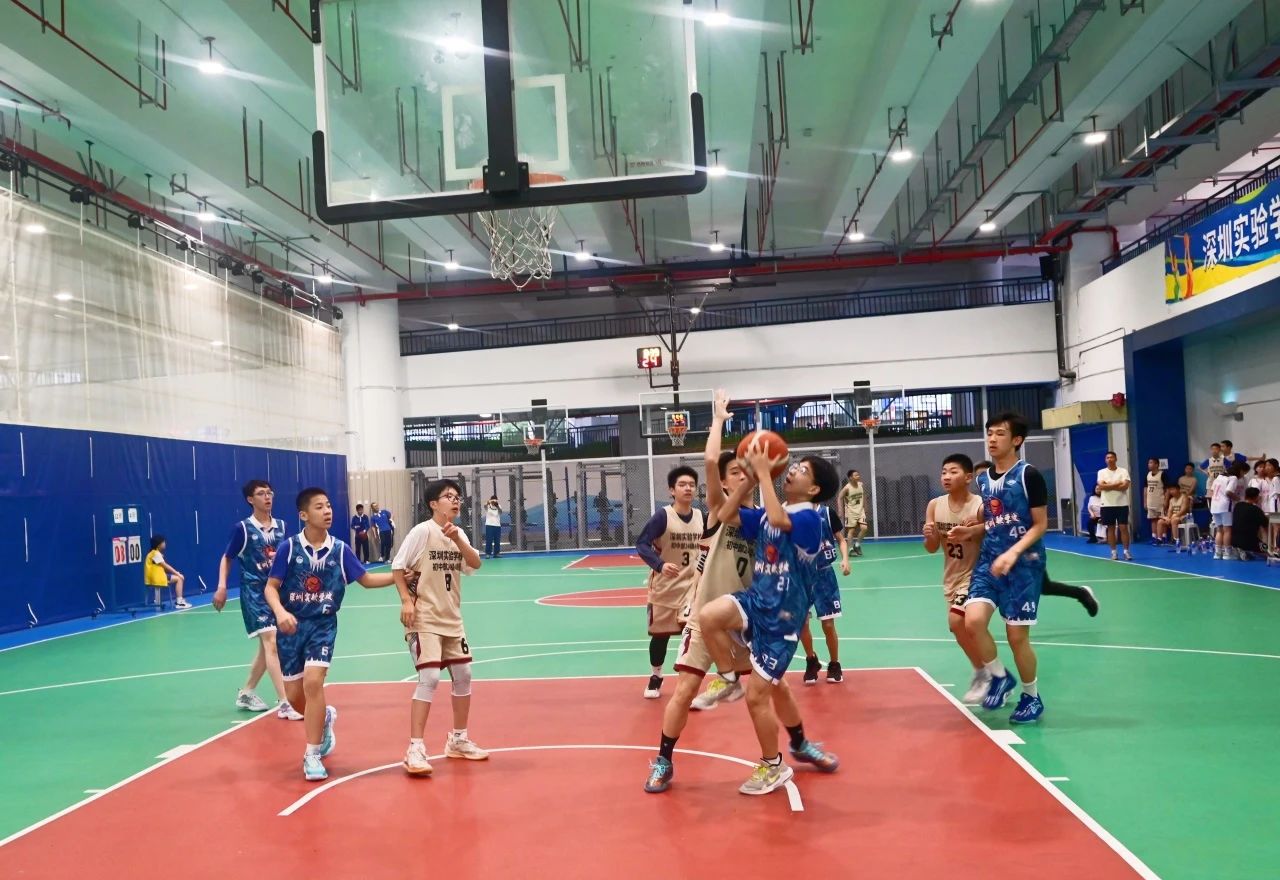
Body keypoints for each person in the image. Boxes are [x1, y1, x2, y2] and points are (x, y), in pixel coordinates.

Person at [697, 444, 842, 796]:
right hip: (756, 602)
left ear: (814, 489)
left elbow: (780, 521)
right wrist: (747, 482)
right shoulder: (766, 514)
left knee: (759, 696)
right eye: (794, 466)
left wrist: (763, 473)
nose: (792, 470)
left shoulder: (811, 519)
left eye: (802, 470)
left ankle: (773, 765)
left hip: (783, 623)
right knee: (709, 616)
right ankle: (728, 678)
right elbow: (724, 514)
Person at [644, 391, 754, 793]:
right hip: (704, 619)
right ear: (723, 483)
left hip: (743, 621)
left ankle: (790, 748)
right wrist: (719, 420)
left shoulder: (763, 520)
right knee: (685, 689)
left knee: (768, 692)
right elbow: (710, 461)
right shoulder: (718, 515)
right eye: (734, 473)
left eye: (746, 471)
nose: (740, 476)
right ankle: (663, 761)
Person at [264, 487, 395, 781]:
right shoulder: (289, 548)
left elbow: (367, 579)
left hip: (322, 625)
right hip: (291, 627)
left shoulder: (340, 550)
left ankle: (312, 754)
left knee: (313, 682)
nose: (327, 511)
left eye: (329, 506)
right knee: (295, 697)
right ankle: (323, 718)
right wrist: (281, 612)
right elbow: (271, 587)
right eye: (319, 507)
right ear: (303, 515)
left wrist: (400, 576)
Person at [392, 479, 488, 777]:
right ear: (434, 504)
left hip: (452, 619)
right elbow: (397, 566)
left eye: (457, 496)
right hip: (425, 618)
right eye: (448, 496)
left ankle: (458, 739)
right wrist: (406, 601)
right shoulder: (422, 532)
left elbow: (475, 564)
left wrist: (459, 539)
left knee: (464, 674)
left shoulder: (458, 534)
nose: (455, 500)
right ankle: (415, 748)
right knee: (430, 677)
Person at [960, 412, 1050, 724]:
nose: (992, 438)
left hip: (1023, 565)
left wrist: (1013, 553)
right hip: (989, 561)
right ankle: (999, 677)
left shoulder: (1029, 476)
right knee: (973, 621)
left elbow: (1040, 525)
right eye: (989, 433)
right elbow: (993, 519)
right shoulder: (983, 479)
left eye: (1000, 433)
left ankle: (1031, 696)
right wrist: (971, 531)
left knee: (1016, 637)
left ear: (1017, 440)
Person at [214, 479, 297, 718]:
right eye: (261, 493)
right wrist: (221, 587)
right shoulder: (243, 529)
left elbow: (289, 559)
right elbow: (227, 558)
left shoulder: (282, 526)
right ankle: (285, 702)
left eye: (270, 493)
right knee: (272, 642)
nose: (267, 497)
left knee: (266, 647)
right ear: (250, 499)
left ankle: (247, 692)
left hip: (277, 594)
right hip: (254, 594)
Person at [975, 460, 1099, 617]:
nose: (983, 478)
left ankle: (1081, 593)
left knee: (1043, 587)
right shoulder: (987, 499)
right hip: (998, 549)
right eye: (979, 476)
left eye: (984, 474)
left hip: (1025, 548)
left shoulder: (1017, 490)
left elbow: (1035, 521)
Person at [635, 466, 705, 699]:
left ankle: (688, 685)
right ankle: (656, 676)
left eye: (691, 485)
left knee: (692, 637)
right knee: (660, 636)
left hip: (692, 588)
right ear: (672, 490)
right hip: (665, 587)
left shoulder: (701, 517)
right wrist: (660, 565)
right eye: (682, 485)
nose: (688, 488)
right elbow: (642, 543)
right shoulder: (663, 516)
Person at [923, 453, 988, 704]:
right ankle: (987, 671)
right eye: (943, 472)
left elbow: (996, 535)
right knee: (958, 628)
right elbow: (931, 548)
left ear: (968, 477)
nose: (946, 477)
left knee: (957, 620)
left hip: (976, 573)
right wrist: (929, 535)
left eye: (953, 472)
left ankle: (985, 674)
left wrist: (976, 529)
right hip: (952, 576)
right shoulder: (934, 505)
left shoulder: (980, 506)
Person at [799, 503, 850, 685]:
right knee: (802, 624)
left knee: (828, 625)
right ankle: (811, 660)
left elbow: (841, 539)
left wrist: (845, 559)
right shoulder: (793, 513)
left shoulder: (827, 513)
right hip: (802, 575)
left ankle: (834, 664)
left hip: (824, 575)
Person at [1097, 451, 1132, 561]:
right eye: (1107, 458)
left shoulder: (1123, 471)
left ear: (1116, 459)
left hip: (1122, 504)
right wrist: (1117, 484)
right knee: (1110, 528)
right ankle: (1113, 552)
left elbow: (1125, 486)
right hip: (1107, 505)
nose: (1110, 459)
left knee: (1123, 528)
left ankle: (1126, 552)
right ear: (1105, 460)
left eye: (1112, 457)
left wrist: (1108, 486)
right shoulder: (1101, 472)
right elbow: (1101, 486)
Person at [1208, 462, 1246, 559]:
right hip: (1225, 506)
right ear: (1240, 471)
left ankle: (1217, 553)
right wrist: (1238, 499)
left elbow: (1212, 491)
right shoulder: (1233, 478)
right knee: (1227, 530)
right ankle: (1227, 553)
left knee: (1219, 530)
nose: (1243, 475)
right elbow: (1228, 492)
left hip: (1214, 505)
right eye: (1243, 472)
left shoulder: (1219, 477)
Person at [144, 535, 190, 609]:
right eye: (163, 542)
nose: (165, 543)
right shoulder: (155, 554)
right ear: (158, 545)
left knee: (177, 577)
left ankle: (179, 600)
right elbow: (166, 566)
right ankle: (179, 602)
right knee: (179, 578)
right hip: (157, 578)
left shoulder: (152, 553)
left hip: (151, 578)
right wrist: (177, 573)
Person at [1229, 487, 1268, 560]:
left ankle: (1240, 550)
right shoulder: (1256, 510)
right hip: (1249, 542)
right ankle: (1263, 551)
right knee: (1264, 529)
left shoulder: (1237, 506)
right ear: (1256, 497)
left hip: (1234, 541)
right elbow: (1265, 524)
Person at [837, 469, 868, 555]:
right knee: (851, 531)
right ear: (850, 477)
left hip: (860, 510)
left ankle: (857, 545)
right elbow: (839, 498)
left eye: (858, 475)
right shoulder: (847, 488)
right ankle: (851, 549)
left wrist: (865, 507)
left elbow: (864, 495)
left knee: (864, 528)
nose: (858, 476)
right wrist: (840, 510)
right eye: (856, 475)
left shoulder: (861, 485)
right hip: (850, 512)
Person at [1144, 458, 1167, 544]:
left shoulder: (1162, 474)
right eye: (1148, 463)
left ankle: (1163, 537)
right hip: (1150, 501)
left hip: (1159, 501)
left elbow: (1167, 489)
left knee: (1161, 519)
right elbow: (1145, 489)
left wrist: (1166, 500)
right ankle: (1154, 537)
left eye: (1151, 463)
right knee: (1153, 519)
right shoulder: (1148, 475)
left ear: (1156, 464)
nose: (1149, 464)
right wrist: (1145, 501)